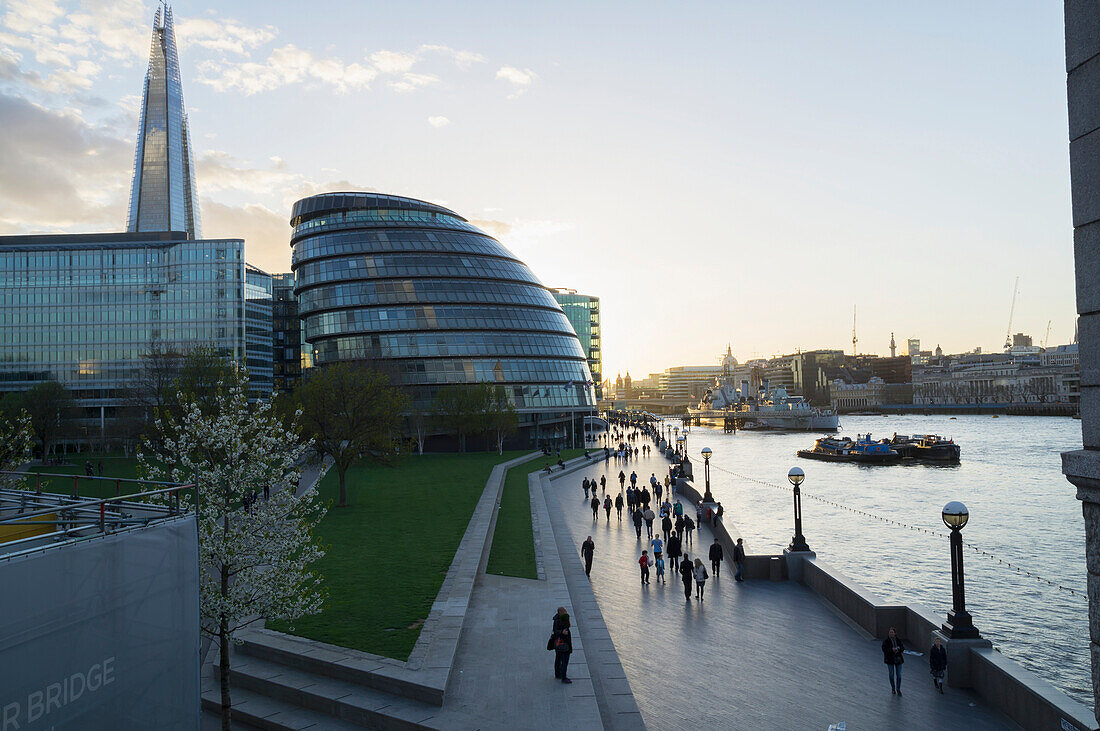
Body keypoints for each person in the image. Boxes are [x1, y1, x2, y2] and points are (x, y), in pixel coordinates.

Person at [552, 610, 573, 683]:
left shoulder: (556, 621)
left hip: (557, 644)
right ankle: (564, 677)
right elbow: (568, 640)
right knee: (564, 662)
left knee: (558, 659)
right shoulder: (565, 626)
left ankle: (557, 673)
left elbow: (555, 630)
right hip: (564, 647)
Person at [882, 627, 905, 695]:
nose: (891, 633)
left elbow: (903, 648)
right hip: (890, 660)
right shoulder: (886, 641)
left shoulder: (898, 640)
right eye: (890, 632)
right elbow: (884, 649)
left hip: (898, 659)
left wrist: (899, 648)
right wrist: (891, 650)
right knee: (891, 675)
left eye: (892, 632)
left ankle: (898, 689)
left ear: (895, 633)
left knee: (899, 675)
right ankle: (893, 688)